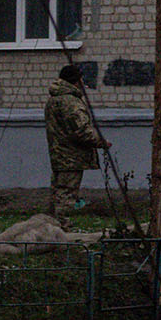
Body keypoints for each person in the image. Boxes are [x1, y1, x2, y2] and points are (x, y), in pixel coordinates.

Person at [43, 64, 109, 219]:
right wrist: (101, 142)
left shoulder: (54, 99)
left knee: (58, 193)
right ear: (76, 80)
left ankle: (52, 227)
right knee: (67, 196)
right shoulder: (71, 102)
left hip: (59, 154)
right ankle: (63, 230)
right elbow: (81, 131)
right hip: (71, 156)